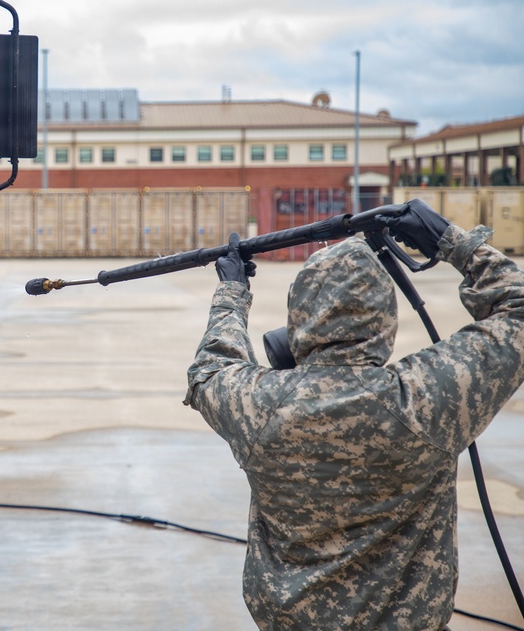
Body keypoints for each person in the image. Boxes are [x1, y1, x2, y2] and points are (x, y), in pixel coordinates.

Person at [183, 200, 524, 630]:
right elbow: (518, 309)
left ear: (299, 317)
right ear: (384, 317)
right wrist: (450, 240)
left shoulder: (260, 404)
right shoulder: (425, 397)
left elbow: (211, 370)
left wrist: (232, 291)